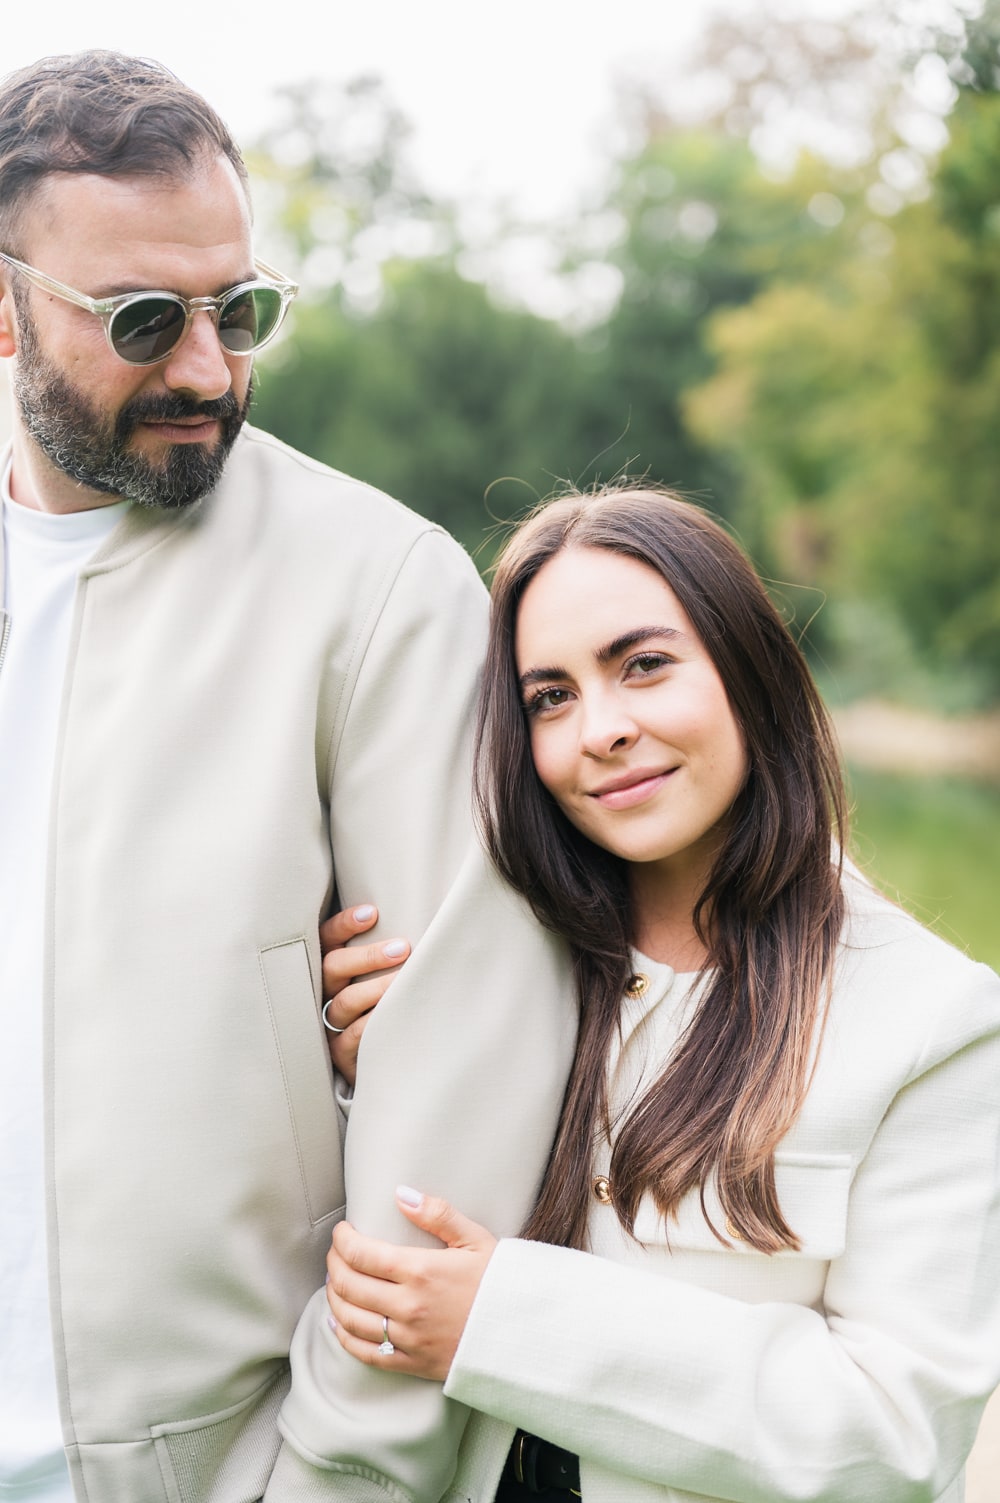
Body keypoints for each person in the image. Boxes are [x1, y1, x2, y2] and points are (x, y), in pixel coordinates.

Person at [0, 50, 577, 1503]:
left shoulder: (377, 587)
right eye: (143, 319)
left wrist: (340, 1480)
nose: (206, 365)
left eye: (237, 308)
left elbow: (455, 1114)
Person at [324, 486, 1000, 1503]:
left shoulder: (933, 1022)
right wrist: (366, 1069)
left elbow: (898, 1438)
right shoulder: (493, 966)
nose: (599, 729)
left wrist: (506, 1326)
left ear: (748, 671)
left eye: (642, 666)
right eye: (548, 696)